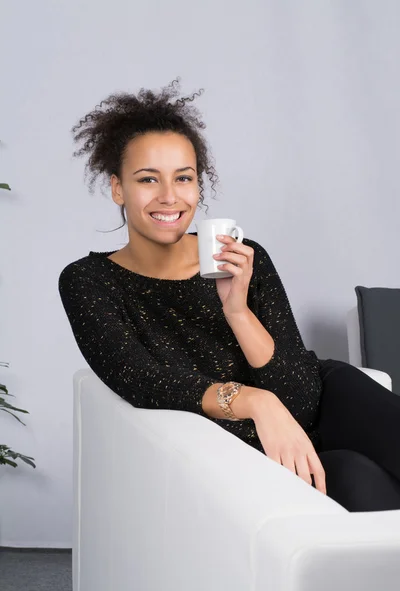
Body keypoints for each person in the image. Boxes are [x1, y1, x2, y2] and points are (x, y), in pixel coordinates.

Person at [59, 78, 400, 512]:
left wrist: (236, 309)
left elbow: (298, 396)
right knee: (360, 481)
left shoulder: (245, 257)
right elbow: (143, 381)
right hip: (241, 445)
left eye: (183, 178)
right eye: (148, 179)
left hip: (321, 401)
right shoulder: (89, 281)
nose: (169, 196)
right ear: (117, 188)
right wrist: (253, 401)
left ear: (198, 186)